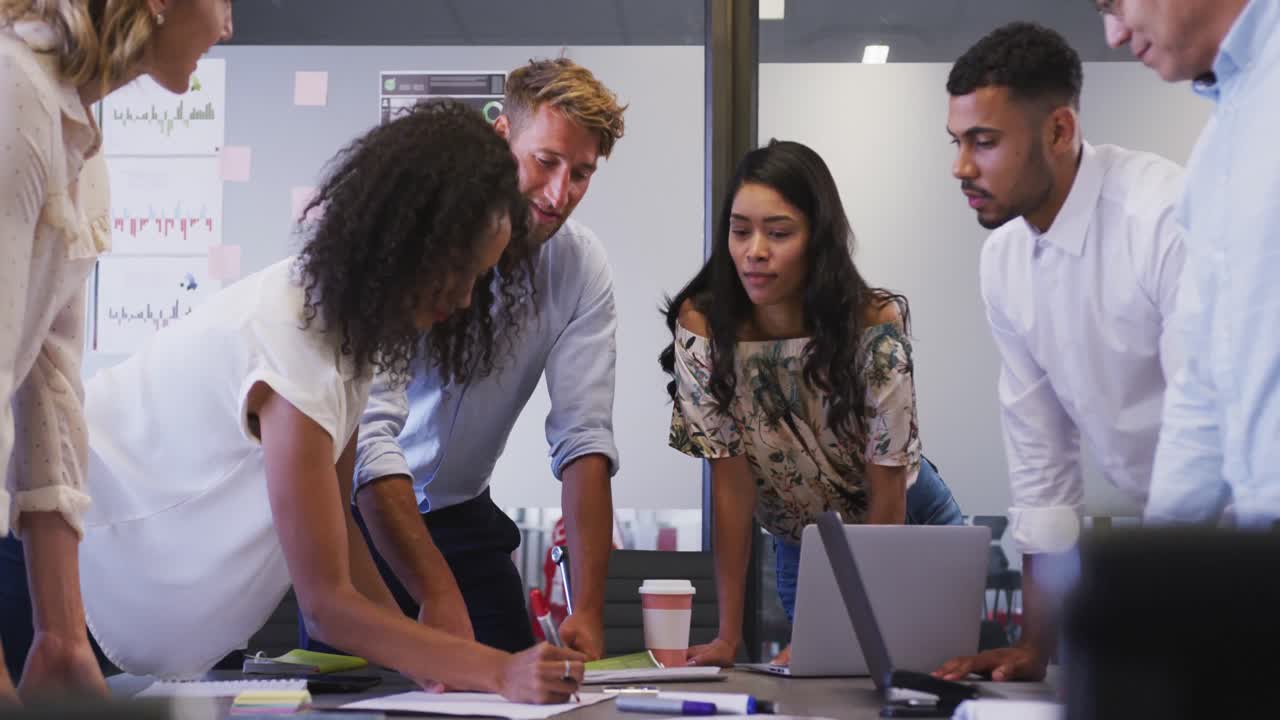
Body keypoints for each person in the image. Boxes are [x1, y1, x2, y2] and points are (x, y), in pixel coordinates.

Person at [1, 100, 586, 703]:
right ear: (412, 241)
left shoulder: (347, 342)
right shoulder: (294, 340)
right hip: (48, 571)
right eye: (462, 271)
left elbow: (342, 542)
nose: (465, 299)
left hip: (100, 600)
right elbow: (327, 604)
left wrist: (428, 657)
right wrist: (493, 670)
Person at [328, 57, 627, 660]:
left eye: (581, 174)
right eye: (545, 162)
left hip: (466, 519)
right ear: (502, 138)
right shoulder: (414, 241)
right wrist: (436, 593)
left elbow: (584, 437)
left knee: (520, 690)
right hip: (369, 513)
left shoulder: (579, 266)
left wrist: (588, 610)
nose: (558, 193)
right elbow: (370, 438)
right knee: (357, 694)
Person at [933, 22, 1185, 682]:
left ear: (1060, 131)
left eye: (984, 142)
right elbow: (1042, 464)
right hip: (1185, 537)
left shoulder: (1160, 217)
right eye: (957, 142)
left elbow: (1211, 427)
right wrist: (1033, 647)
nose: (961, 166)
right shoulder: (1004, 261)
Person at [0, 0, 234, 702]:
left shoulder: (78, 140)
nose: (229, 26)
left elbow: (49, 387)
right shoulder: (15, 99)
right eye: (224, 0)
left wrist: (64, 636)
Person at [660, 140, 963, 668]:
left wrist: (845, 627)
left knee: (920, 694)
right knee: (819, 693)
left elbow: (887, 489)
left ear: (817, 239)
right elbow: (731, 488)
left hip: (908, 525)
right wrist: (728, 635)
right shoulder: (704, 329)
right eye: (739, 230)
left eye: (778, 233)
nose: (755, 250)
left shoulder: (873, 324)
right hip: (805, 543)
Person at [1097, 0, 1280, 525]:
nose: (1113, 33)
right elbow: (1202, 383)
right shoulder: (1215, 151)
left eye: (1112, 3)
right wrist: (1159, 576)